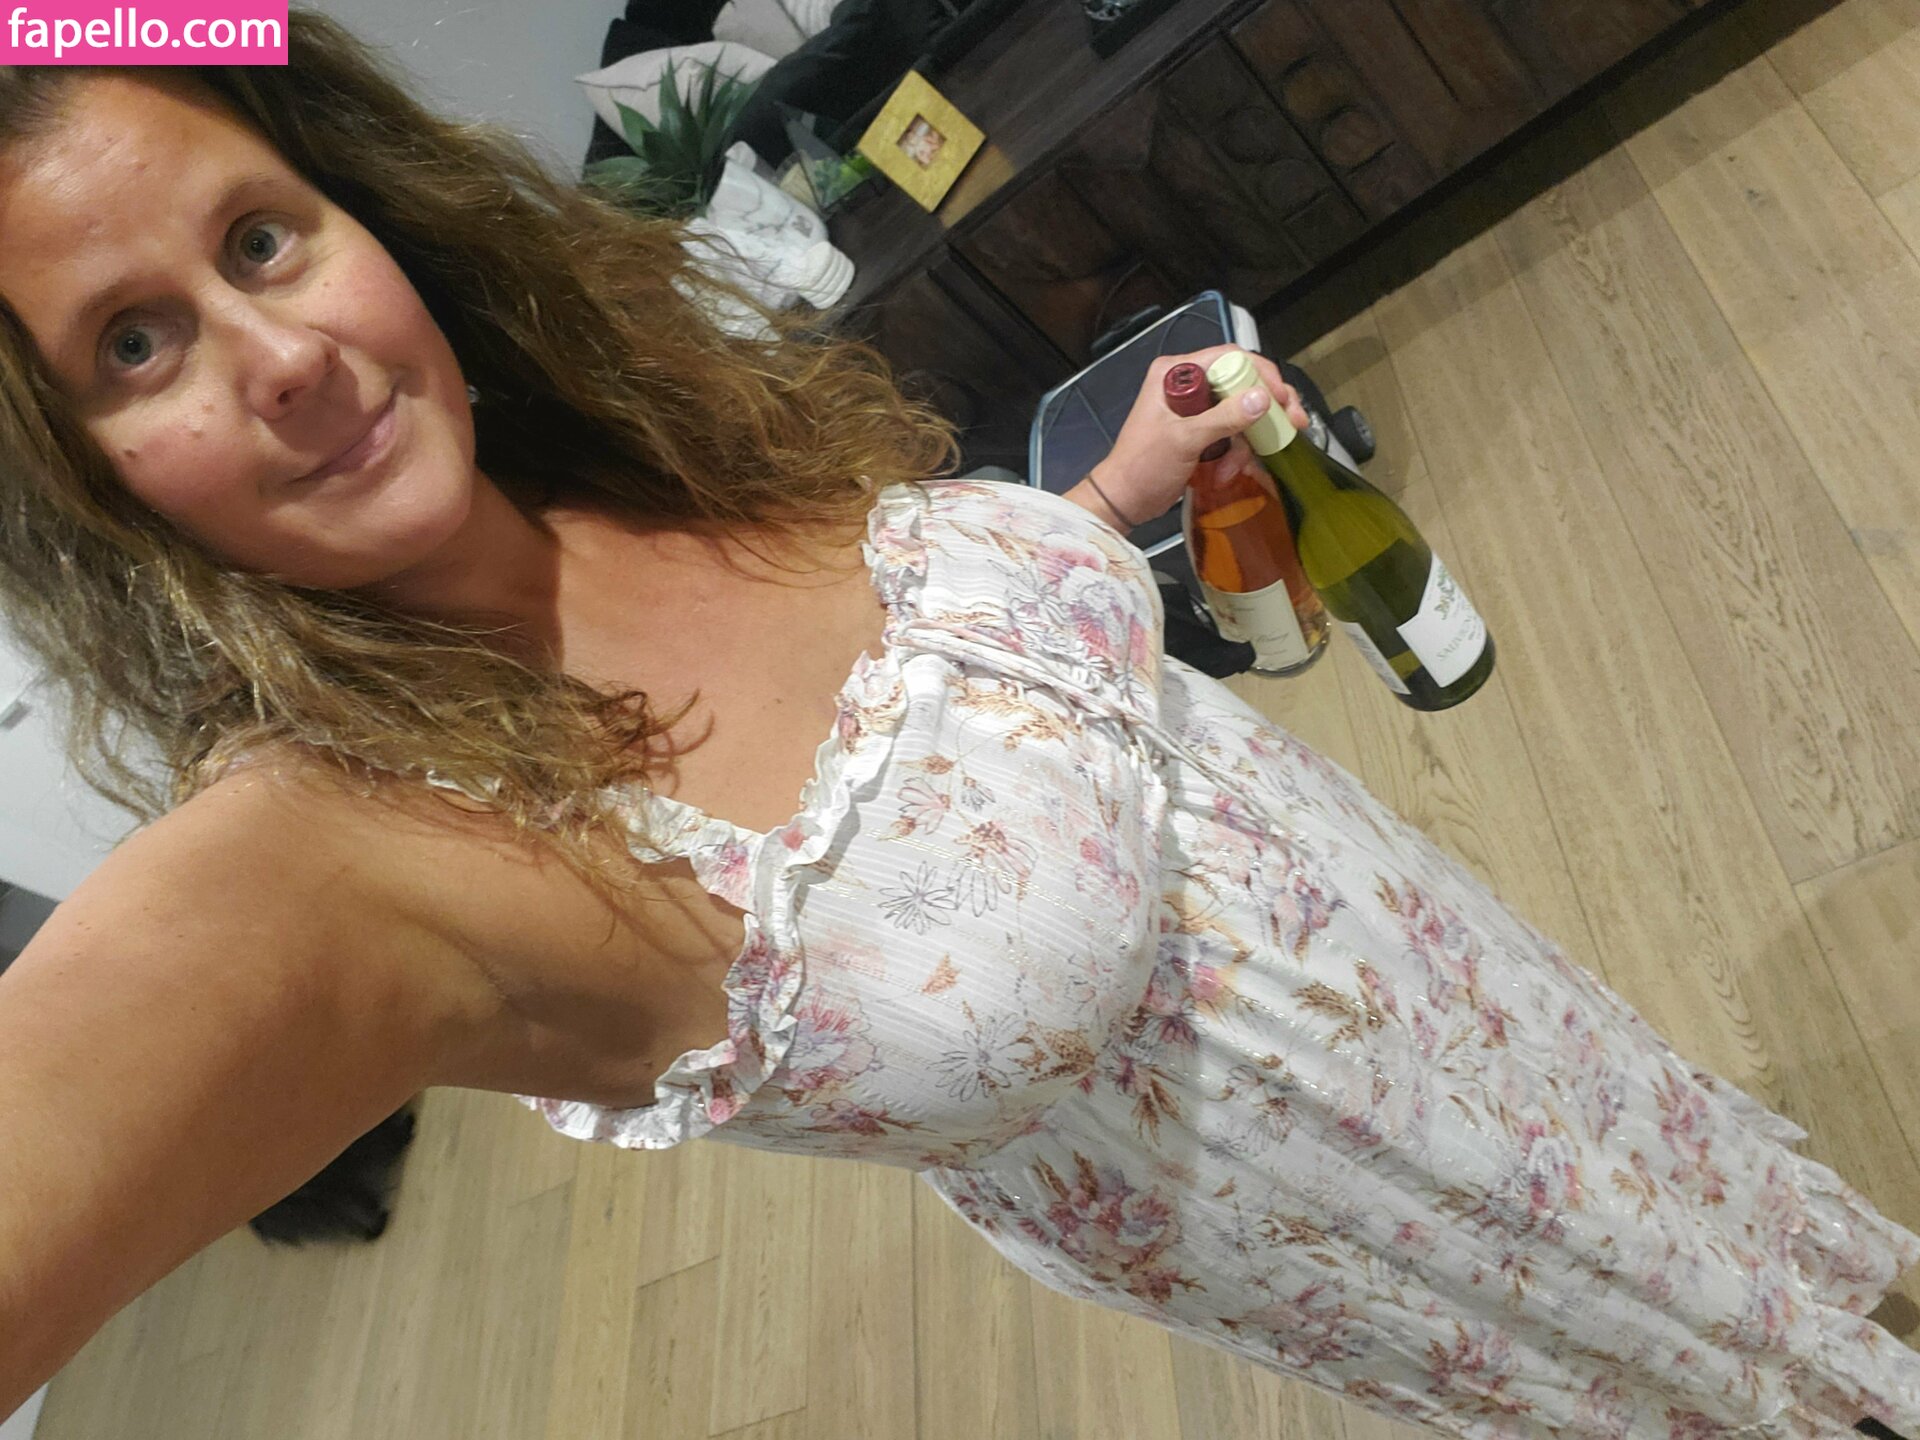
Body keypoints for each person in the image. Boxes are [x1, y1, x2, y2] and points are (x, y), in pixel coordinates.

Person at [0, 15, 1916, 1438]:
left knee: (1794, 1248)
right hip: (1436, 1238)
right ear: (75, 480)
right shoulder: (339, 850)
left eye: (264, 239)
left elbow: (936, 699)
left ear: (373, 215)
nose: (284, 358)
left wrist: (1099, 506)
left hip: (1478, 997)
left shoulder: (630, 439)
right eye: (132, 346)